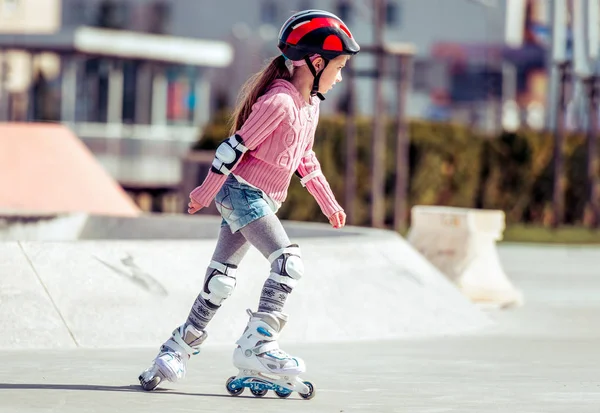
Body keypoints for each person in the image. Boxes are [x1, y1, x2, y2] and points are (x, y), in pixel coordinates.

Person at [139, 9, 360, 398]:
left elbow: (304, 159)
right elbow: (232, 149)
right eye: (338, 66)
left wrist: (329, 203)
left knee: (220, 281)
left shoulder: (310, 105)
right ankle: (258, 343)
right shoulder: (280, 102)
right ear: (316, 61)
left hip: (261, 200)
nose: (340, 76)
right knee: (288, 262)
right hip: (242, 193)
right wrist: (204, 192)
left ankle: (175, 351)